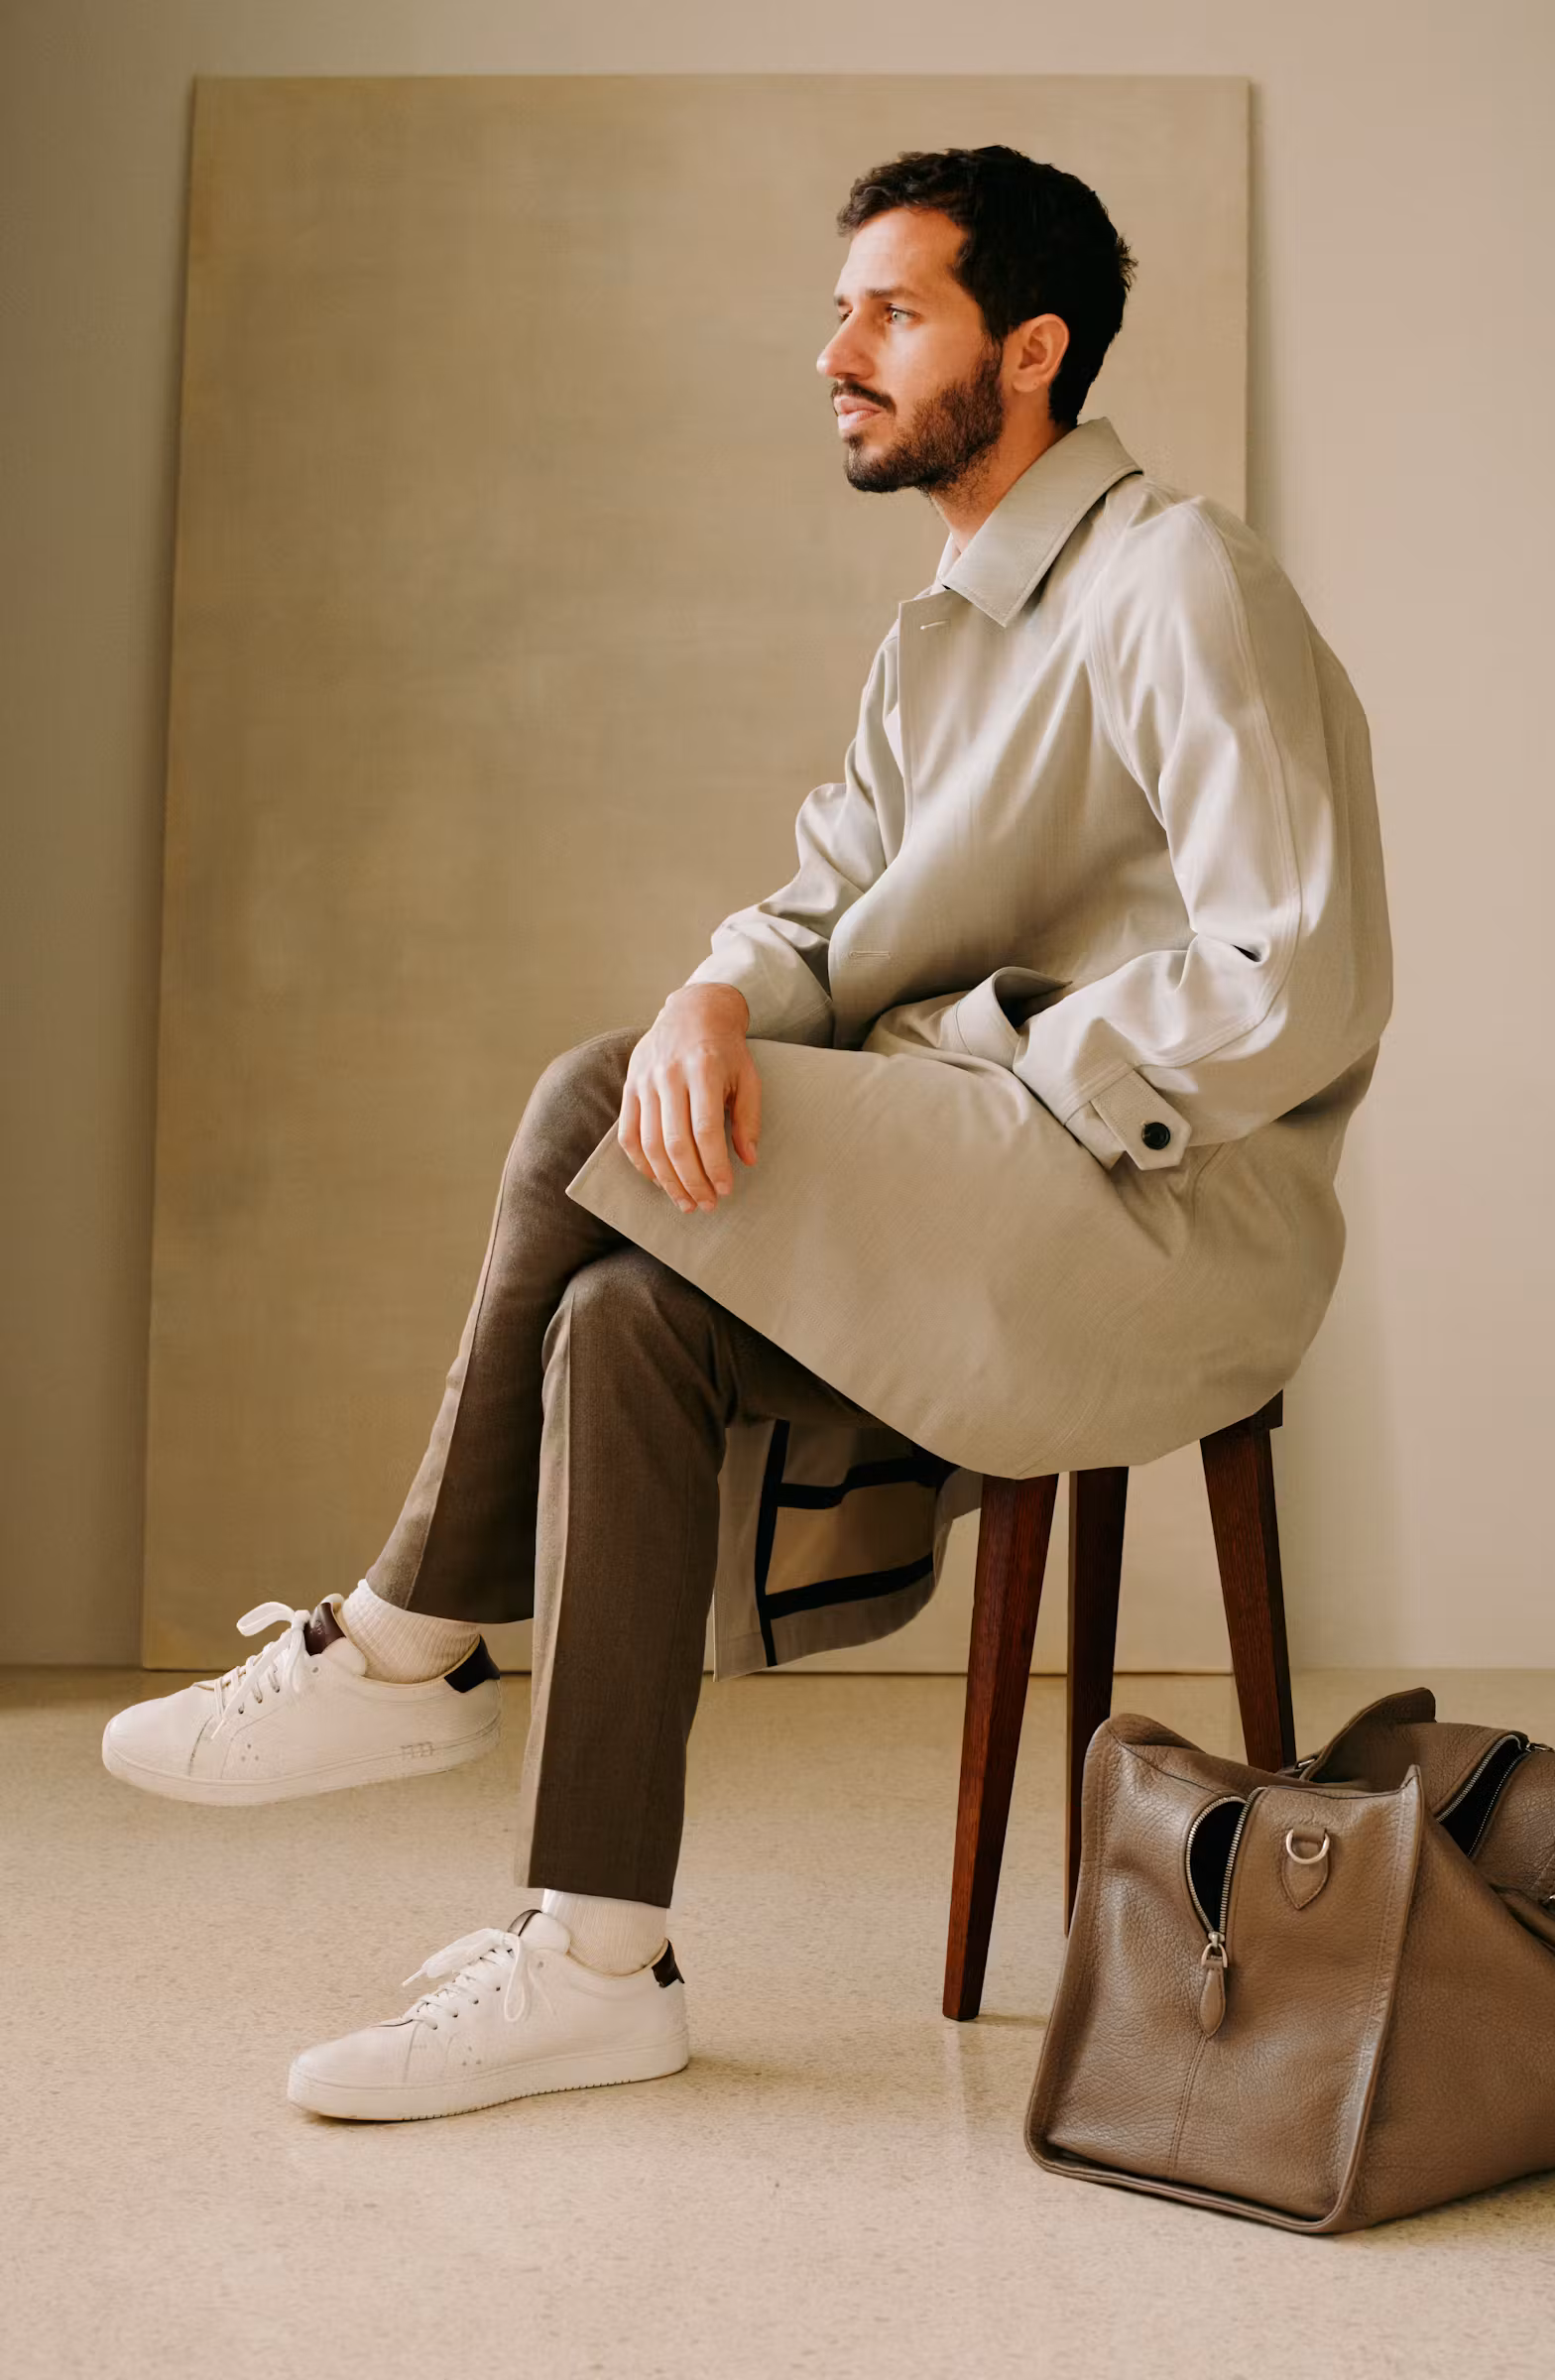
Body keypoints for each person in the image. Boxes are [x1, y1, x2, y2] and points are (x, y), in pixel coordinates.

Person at [102, 145, 1394, 2121]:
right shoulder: (938, 642)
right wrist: (717, 999)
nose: (837, 352)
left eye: (895, 312)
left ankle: (407, 1645)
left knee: (582, 1095)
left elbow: (1297, 973)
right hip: (984, 1188)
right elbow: (816, 907)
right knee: (620, 1318)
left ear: (1030, 350)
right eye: (839, 309)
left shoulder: (1178, 579)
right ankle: (599, 1957)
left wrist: (996, 1068)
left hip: (1167, 1217)